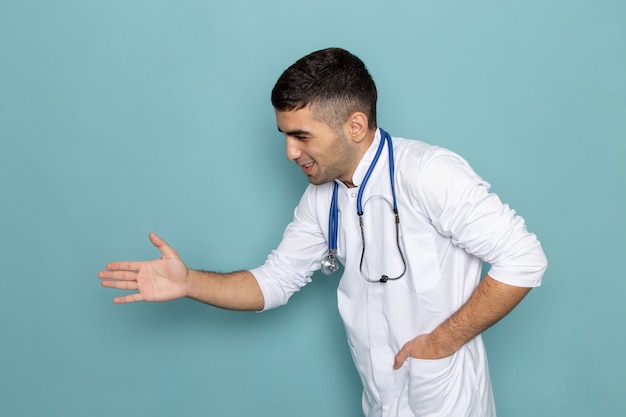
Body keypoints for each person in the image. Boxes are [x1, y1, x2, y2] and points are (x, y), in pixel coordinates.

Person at [99, 47, 547, 417]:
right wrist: (189, 282)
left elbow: (524, 259)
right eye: (284, 135)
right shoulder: (322, 199)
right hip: (380, 400)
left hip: (445, 397)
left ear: (354, 125)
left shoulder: (429, 173)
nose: (290, 152)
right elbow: (273, 282)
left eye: (301, 136)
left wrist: (439, 344)